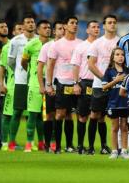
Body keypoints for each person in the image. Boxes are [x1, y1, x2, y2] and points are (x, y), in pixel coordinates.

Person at [46, 16, 82, 154]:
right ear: (65, 26)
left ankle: (69, 145)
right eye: (72, 23)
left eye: (76, 23)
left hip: (76, 84)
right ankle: (57, 145)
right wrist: (49, 84)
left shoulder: (81, 43)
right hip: (62, 82)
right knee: (60, 114)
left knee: (70, 115)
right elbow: (50, 66)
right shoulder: (57, 44)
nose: (75, 25)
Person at [87, 15, 120, 155]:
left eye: (114, 22)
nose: (112, 25)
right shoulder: (97, 43)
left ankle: (106, 146)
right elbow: (91, 64)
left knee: (113, 117)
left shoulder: (121, 42)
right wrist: (105, 78)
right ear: (104, 26)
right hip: (99, 85)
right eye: (109, 23)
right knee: (95, 115)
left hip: (117, 86)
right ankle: (90, 147)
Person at [7, 14, 37, 151]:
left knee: (34, 112)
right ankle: (11, 142)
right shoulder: (15, 41)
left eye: (32, 22)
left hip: (34, 81)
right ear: (23, 25)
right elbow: (11, 62)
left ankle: (32, 142)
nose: (30, 24)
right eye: (28, 22)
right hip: (21, 80)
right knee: (17, 111)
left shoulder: (39, 40)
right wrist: (19, 72)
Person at [21, 20, 51, 152]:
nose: (48, 30)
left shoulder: (53, 44)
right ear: (38, 30)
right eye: (45, 28)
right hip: (34, 83)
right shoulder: (31, 45)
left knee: (45, 115)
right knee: (33, 114)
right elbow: (24, 62)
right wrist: (33, 72)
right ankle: (29, 143)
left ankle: (42, 143)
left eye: (49, 28)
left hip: (50, 82)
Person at [71, 20, 100, 154]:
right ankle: (80, 145)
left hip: (98, 84)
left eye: (98, 27)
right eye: (93, 27)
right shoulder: (81, 47)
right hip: (85, 82)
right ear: (87, 30)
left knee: (95, 115)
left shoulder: (102, 45)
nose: (96, 29)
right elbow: (76, 66)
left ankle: (91, 146)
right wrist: (76, 83)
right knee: (82, 116)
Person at [38, 21, 64, 152]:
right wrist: (43, 85)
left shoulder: (68, 47)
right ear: (54, 32)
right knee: (49, 115)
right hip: (51, 85)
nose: (62, 31)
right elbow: (40, 67)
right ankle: (47, 143)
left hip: (65, 86)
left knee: (62, 115)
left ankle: (58, 144)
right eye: (59, 28)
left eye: (64, 28)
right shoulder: (47, 46)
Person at [102, 47, 129, 159]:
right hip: (113, 103)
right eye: (117, 54)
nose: (120, 57)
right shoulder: (109, 71)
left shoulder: (128, 71)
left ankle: (124, 150)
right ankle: (114, 150)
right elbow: (104, 87)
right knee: (114, 127)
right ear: (113, 57)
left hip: (125, 103)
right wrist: (116, 81)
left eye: (122, 54)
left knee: (124, 127)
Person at [0, 23, 23, 151]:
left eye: (23, 29)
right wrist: (1, 84)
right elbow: (2, 67)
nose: (21, 31)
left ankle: (12, 141)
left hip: (24, 84)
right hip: (12, 84)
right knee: (8, 114)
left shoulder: (28, 45)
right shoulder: (7, 47)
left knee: (18, 113)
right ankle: (4, 142)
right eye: (19, 29)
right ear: (13, 32)